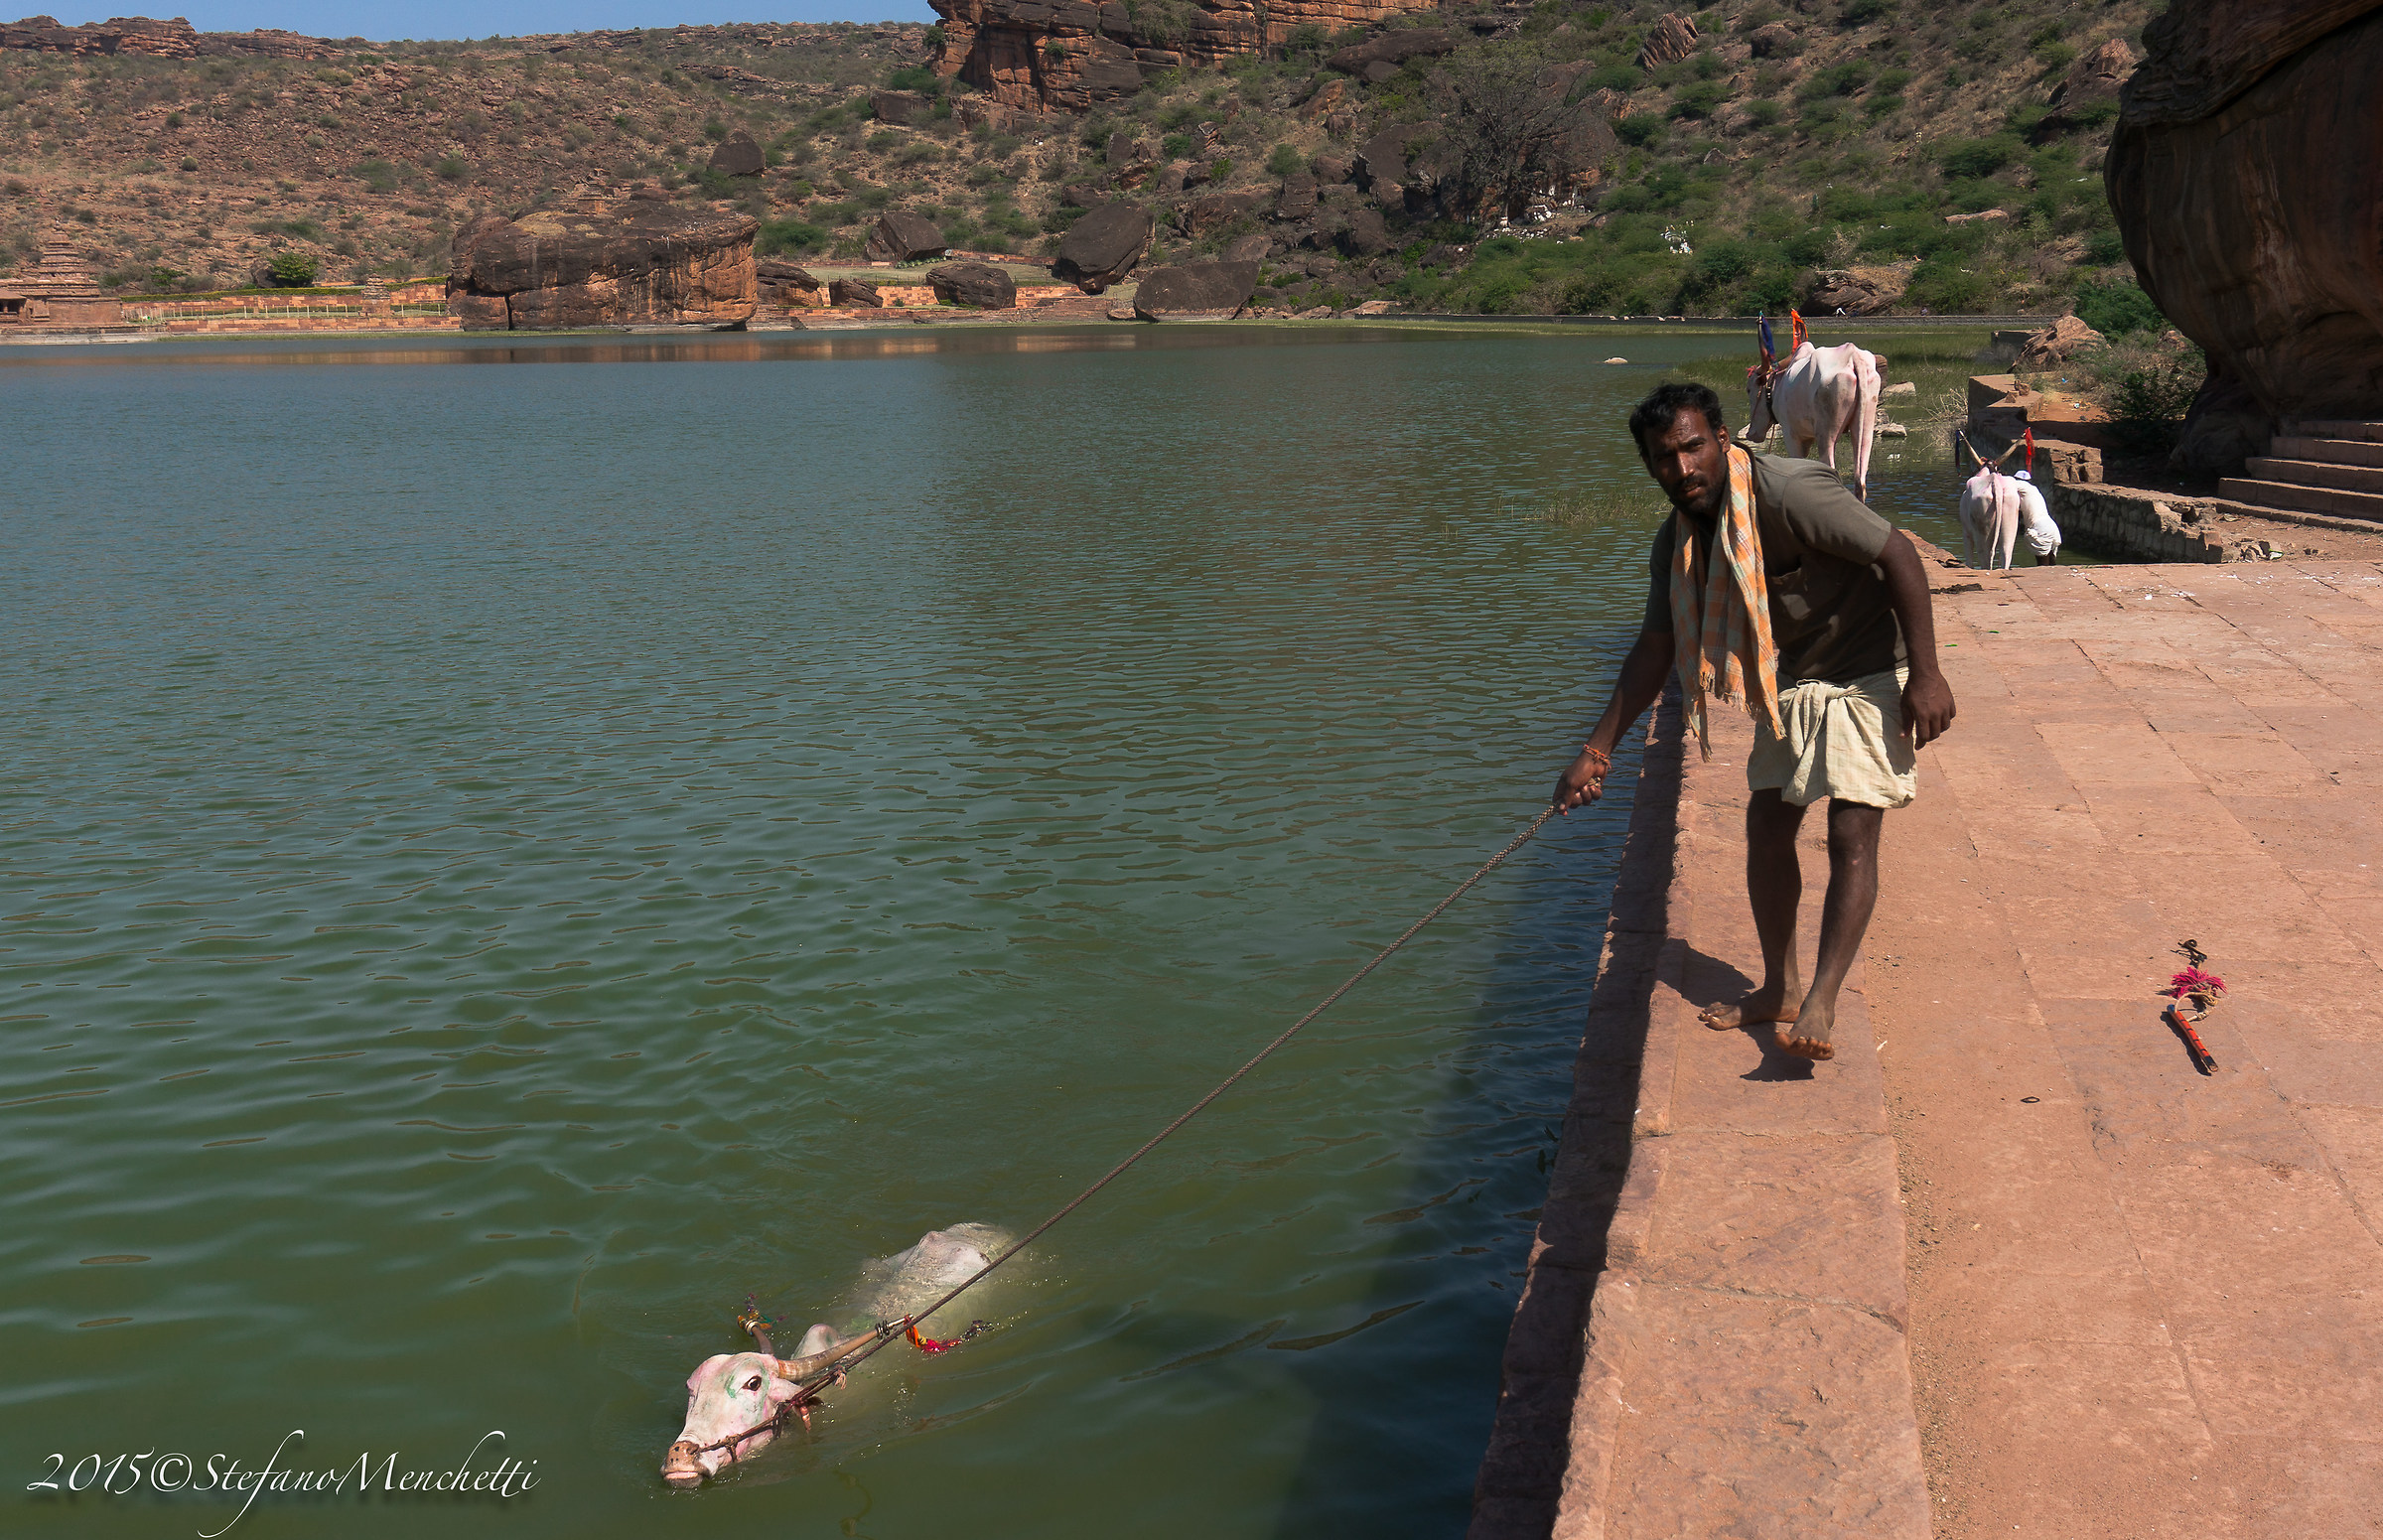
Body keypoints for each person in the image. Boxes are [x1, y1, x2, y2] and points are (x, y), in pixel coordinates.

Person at [1552, 383, 1956, 1061]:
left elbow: (1899, 555)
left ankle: (1823, 997)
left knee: (1851, 826)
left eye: (1693, 447)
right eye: (1664, 458)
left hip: (1868, 663)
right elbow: (1655, 647)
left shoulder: (1791, 491)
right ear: (1649, 465)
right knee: (1767, 825)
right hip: (1792, 674)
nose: (1683, 469)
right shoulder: (1676, 542)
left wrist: (1928, 673)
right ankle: (1780, 986)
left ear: (1723, 438)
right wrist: (1595, 750)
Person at [2014, 470, 2062, 565]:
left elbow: (2006, 485)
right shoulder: (2034, 489)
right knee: (2052, 564)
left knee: (2042, 565)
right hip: (2051, 525)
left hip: (2040, 526)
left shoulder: (2020, 485)